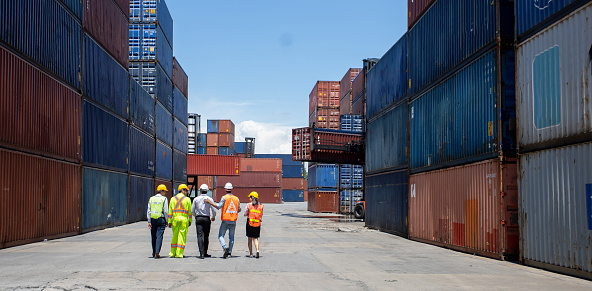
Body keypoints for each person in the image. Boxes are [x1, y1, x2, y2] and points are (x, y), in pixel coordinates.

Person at [206, 182, 240, 258]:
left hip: (225, 220)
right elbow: (239, 209)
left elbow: (218, 206)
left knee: (221, 236)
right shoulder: (236, 199)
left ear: (225, 189)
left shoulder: (224, 198)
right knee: (231, 237)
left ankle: (225, 247)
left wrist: (210, 202)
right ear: (231, 189)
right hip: (233, 220)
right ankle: (230, 252)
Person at [191, 184, 217, 259]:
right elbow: (214, 210)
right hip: (206, 218)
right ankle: (205, 252)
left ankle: (201, 253)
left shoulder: (196, 199)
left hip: (199, 218)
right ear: (207, 191)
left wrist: (196, 216)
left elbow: (192, 210)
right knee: (206, 236)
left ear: (200, 190)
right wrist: (213, 217)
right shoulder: (209, 199)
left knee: (199, 236)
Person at [168, 184, 192, 258]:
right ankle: (179, 254)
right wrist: (190, 220)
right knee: (182, 237)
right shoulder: (187, 199)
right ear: (182, 190)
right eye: (186, 190)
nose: (187, 192)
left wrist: (169, 221)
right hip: (184, 220)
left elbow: (170, 211)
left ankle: (172, 253)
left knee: (174, 236)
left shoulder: (172, 199)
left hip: (175, 220)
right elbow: (190, 211)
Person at [147, 184, 169, 259]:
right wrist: (167, 220)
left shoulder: (151, 199)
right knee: (159, 236)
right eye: (165, 191)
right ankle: (157, 252)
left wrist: (149, 221)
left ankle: (153, 252)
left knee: (153, 236)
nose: (165, 193)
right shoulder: (164, 199)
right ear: (161, 191)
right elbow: (166, 211)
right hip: (161, 219)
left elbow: (149, 211)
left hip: (153, 219)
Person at [244, 191, 263, 258]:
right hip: (257, 224)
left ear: (252, 198)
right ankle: (257, 250)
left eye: (250, 197)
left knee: (249, 239)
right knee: (256, 238)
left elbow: (245, 214)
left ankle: (251, 254)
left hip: (250, 223)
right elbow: (261, 214)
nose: (249, 198)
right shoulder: (261, 205)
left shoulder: (248, 205)